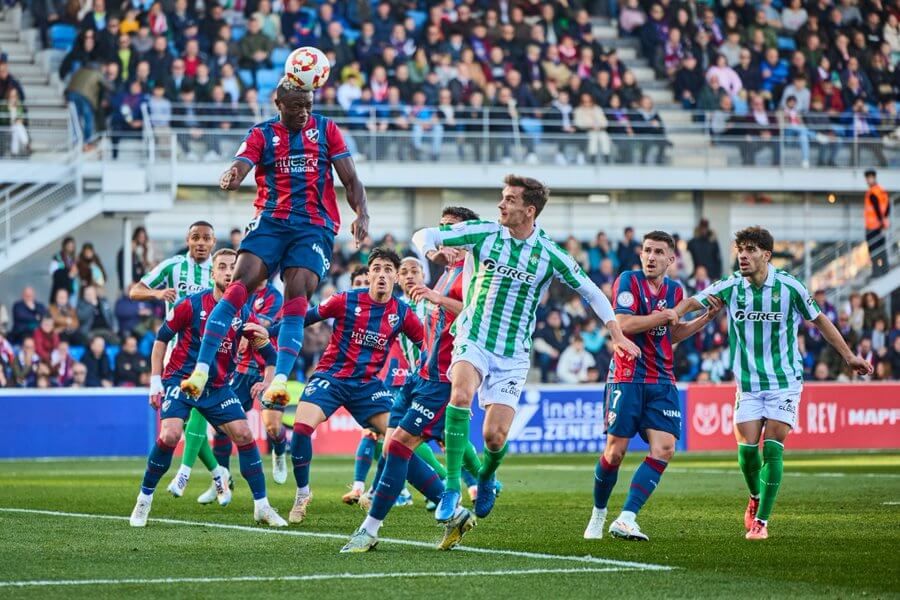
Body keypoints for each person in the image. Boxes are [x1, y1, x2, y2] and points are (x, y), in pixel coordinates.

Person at [411, 174, 641, 532]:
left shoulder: (549, 253)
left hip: (512, 352)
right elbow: (424, 234)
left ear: (528, 210)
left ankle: (486, 477)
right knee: (459, 394)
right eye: (502, 198)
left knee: (494, 437)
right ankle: (451, 489)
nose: (501, 204)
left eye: (509, 200)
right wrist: (430, 252)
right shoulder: (484, 232)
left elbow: (593, 292)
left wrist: (616, 334)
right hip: (473, 337)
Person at [180, 77, 369, 411]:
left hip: (314, 225)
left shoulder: (326, 129)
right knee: (239, 285)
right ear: (279, 104)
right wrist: (233, 176)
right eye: (296, 106)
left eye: (308, 106)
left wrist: (362, 213)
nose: (303, 113)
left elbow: (350, 178)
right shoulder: (261, 134)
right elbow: (242, 164)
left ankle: (280, 381)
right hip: (271, 220)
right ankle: (201, 370)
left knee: (298, 293)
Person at [675, 226, 872, 540]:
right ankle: (755, 496)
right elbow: (693, 302)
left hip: (784, 382)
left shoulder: (790, 287)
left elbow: (820, 319)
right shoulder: (730, 286)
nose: (743, 255)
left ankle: (762, 522)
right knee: (746, 453)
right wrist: (673, 312)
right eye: (740, 249)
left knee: (773, 448)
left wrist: (849, 356)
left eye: (751, 250)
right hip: (748, 384)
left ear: (766, 255)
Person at [343, 209, 490, 552]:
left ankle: (369, 530)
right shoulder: (446, 270)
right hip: (418, 376)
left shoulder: (476, 271)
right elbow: (423, 239)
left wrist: (436, 297)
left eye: (452, 230)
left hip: (443, 378)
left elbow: (475, 313)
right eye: (443, 230)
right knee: (393, 447)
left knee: (399, 446)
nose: (445, 237)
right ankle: (454, 511)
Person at [129, 248, 286, 527]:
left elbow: (269, 355)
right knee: (170, 435)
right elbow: (161, 339)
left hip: (217, 387)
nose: (227, 272)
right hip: (181, 379)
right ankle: (144, 499)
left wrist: (267, 379)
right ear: (212, 273)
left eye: (232, 268)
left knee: (244, 433)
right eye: (222, 267)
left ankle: (261, 505)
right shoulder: (190, 304)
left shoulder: (243, 311)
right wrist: (155, 381)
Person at [584, 231, 721, 541]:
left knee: (665, 448)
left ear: (671, 259)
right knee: (615, 453)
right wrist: (665, 316)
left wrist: (704, 319)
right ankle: (598, 514)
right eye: (647, 250)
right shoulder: (628, 281)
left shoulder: (675, 290)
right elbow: (625, 324)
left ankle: (627, 517)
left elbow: (671, 334)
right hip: (627, 376)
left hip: (661, 378)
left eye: (659, 252)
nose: (651, 256)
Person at [286, 248, 428, 525]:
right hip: (331, 377)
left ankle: (436, 495)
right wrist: (268, 331)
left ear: (396, 277)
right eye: (376, 268)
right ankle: (303, 493)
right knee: (301, 429)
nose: (382, 274)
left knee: (397, 440)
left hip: (367, 385)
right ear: (370, 273)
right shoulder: (345, 300)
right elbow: (304, 318)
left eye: (389, 269)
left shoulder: (401, 312)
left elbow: (428, 345)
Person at [131, 222, 217, 498]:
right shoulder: (173, 266)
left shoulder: (221, 269)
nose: (201, 243)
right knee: (176, 427)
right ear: (188, 240)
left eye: (206, 238)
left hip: (211, 355)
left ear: (213, 242)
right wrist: (157, 293)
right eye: (196, 238)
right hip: (175, 356)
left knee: (203, 415)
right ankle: (216, 473)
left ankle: (189, 473)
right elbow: (135, 291)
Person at [197, 278, 284, 505]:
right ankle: (222, 481)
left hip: (269, 367)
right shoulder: (237, 291)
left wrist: (268, 379)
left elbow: (258, 329)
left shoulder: (274, 296)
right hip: (242, 370)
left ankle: (279, 451)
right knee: (221, 427)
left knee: (273, 427)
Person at [863, 169, 890, 277]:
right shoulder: (882, 191)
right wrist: (884, 220)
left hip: (873, 226)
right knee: (881, 247)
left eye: (870, 178)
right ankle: (884, 269)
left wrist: (881, 221)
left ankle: (876, 272)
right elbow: (887, 207)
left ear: (873, 178)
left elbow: (877, 208)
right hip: (879, 225)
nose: (868, 180)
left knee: (873, 250)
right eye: (867, 178)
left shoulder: (872, 192)